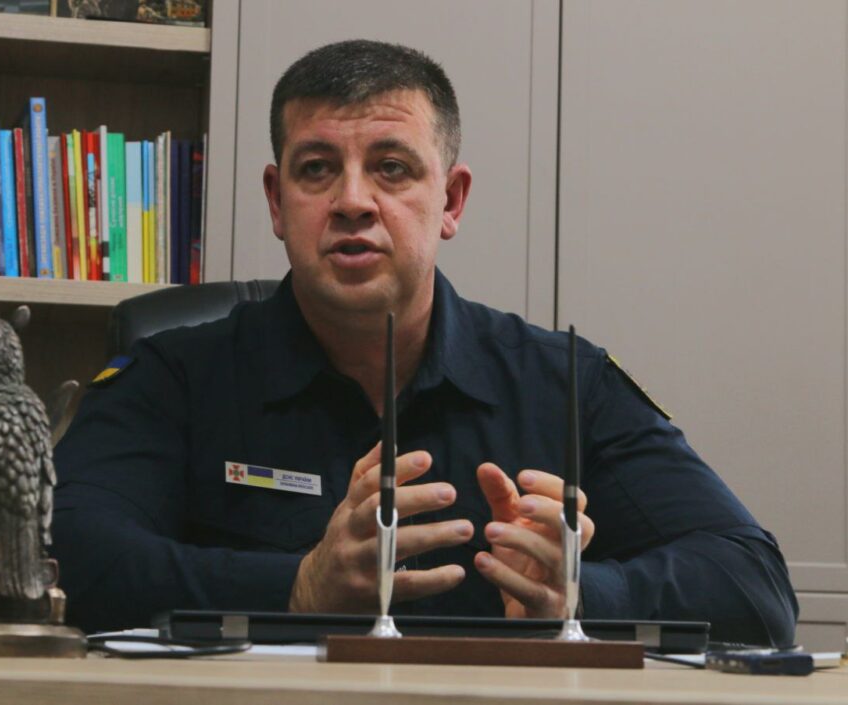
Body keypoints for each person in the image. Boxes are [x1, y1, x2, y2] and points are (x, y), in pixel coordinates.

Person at [52, 39, 798, 645]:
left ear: (451, 200)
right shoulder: (172, 375)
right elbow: (62, 560)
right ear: (277, 202)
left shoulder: (567, 382)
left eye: (391, 168)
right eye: (317, 170)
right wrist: (298, 587)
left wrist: (579, 595)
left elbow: (754, 587)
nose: (352, 201)